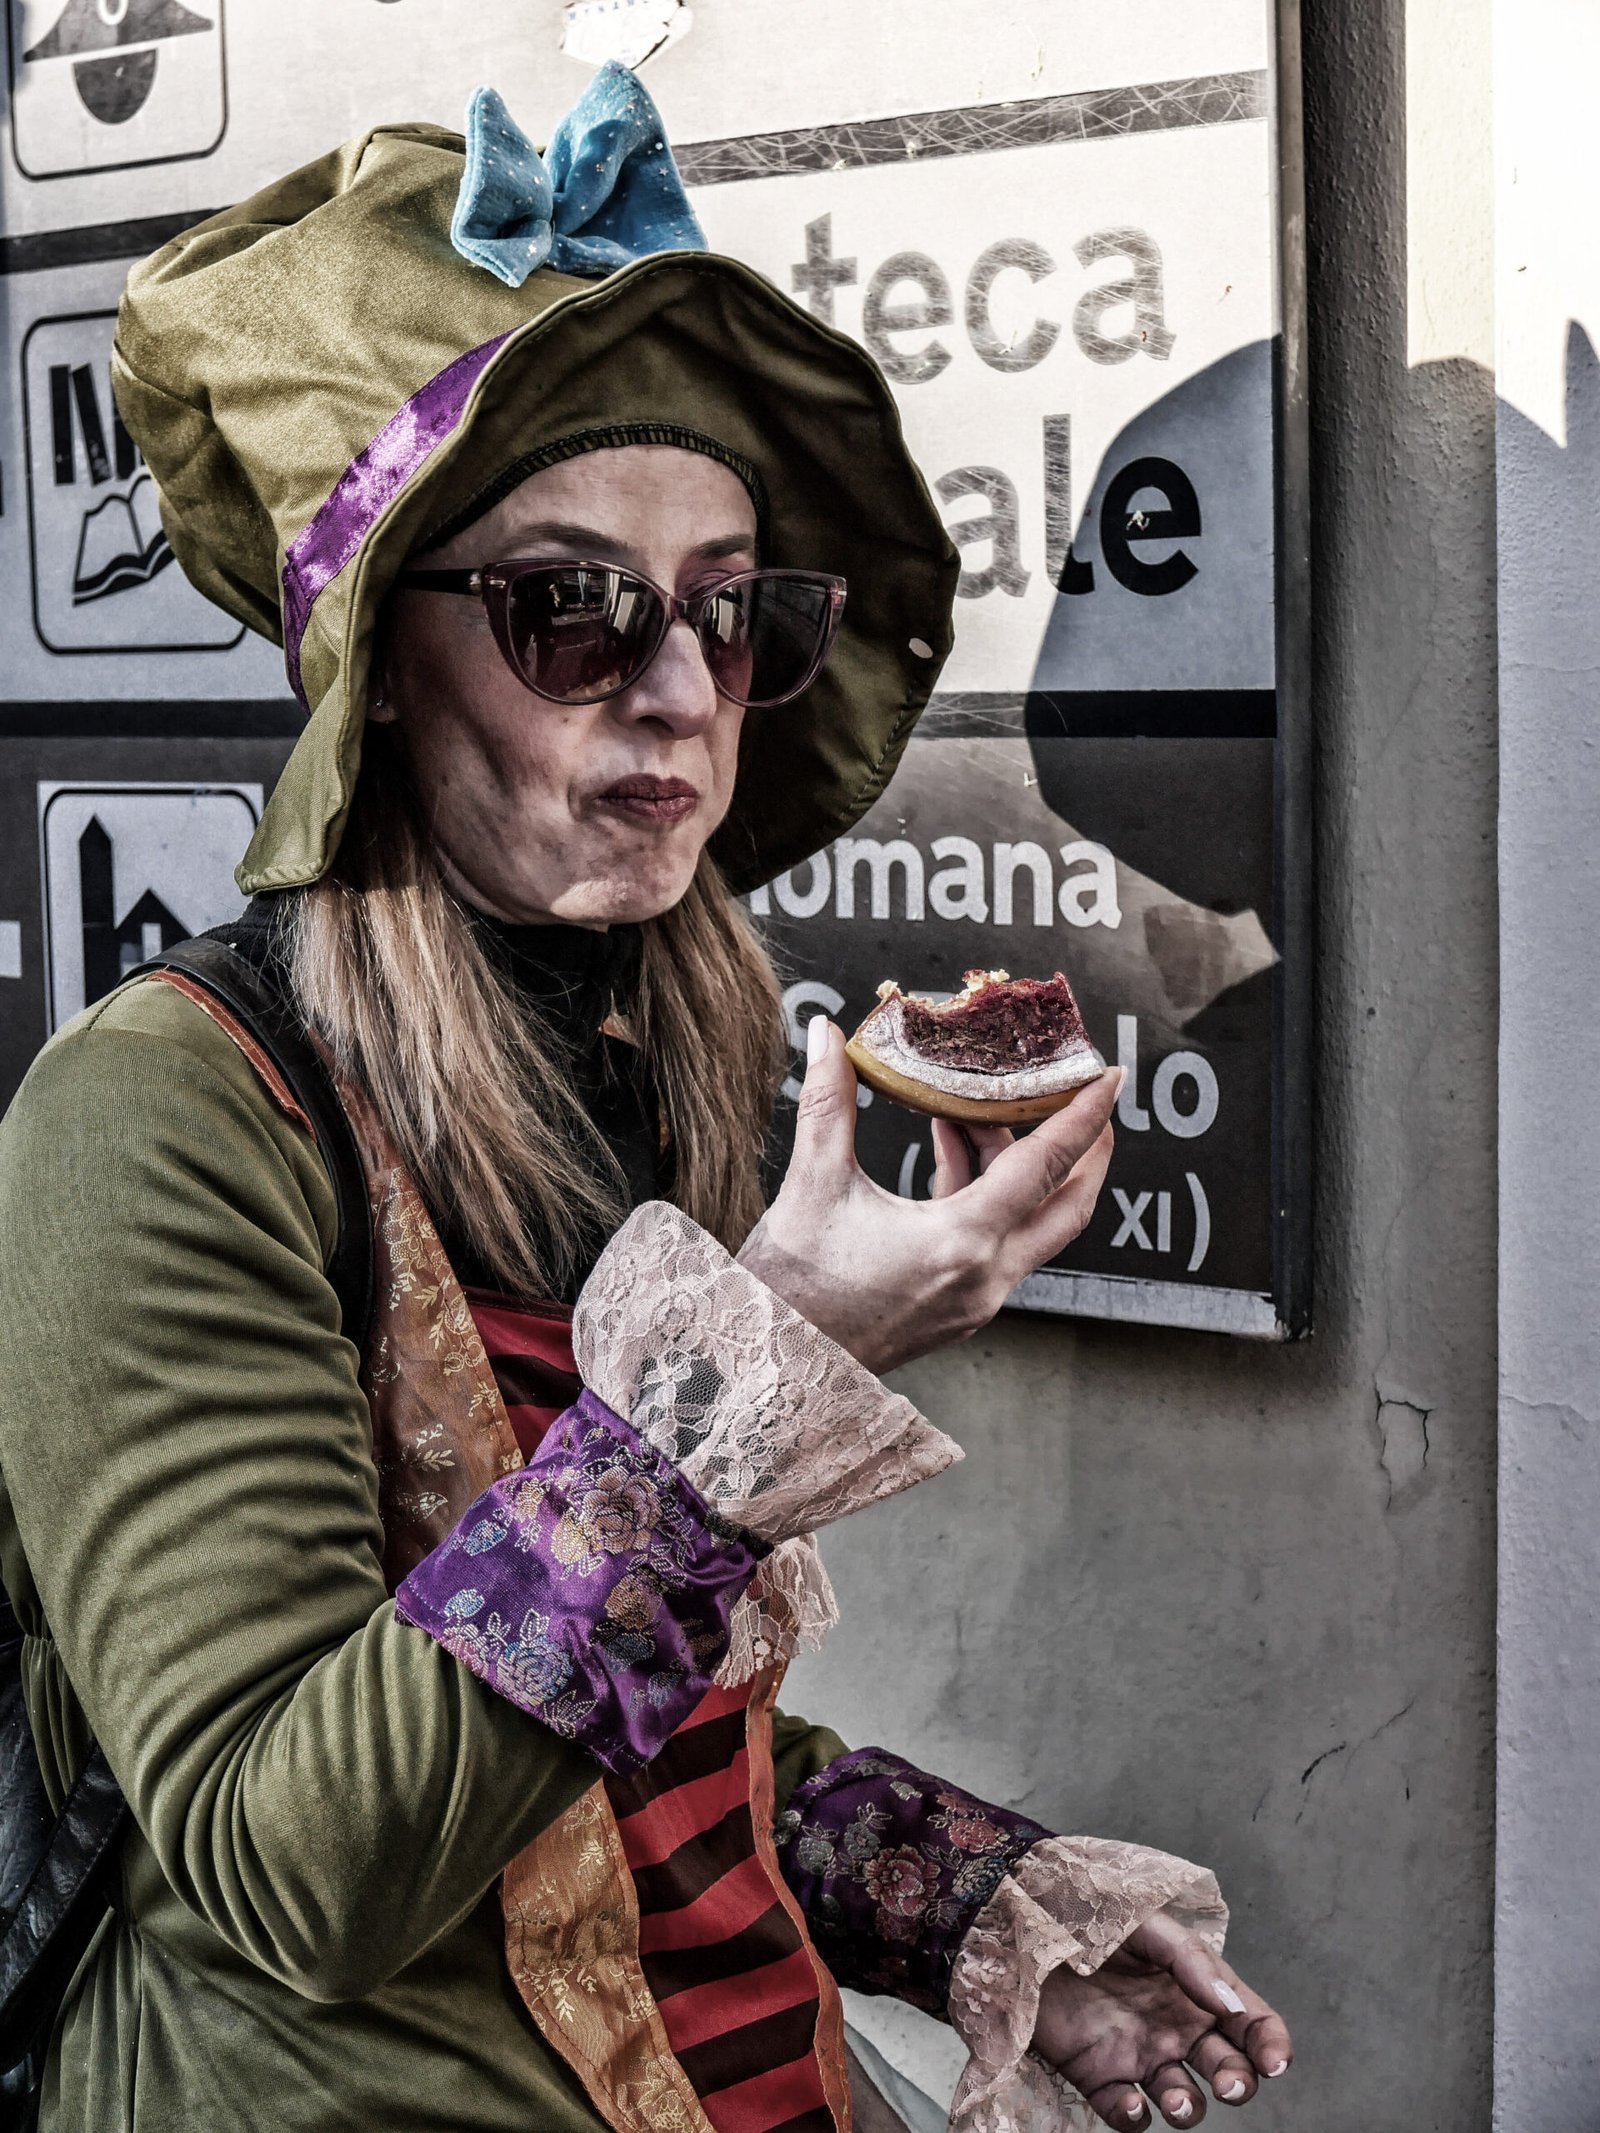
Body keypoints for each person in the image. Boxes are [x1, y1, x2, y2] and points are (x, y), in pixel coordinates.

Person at [0, 66, 1292, 2133]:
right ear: (381, 664)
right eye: (573, 606)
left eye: (733, 608)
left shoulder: (636, 1054)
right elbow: (296, 1863)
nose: (680, 690)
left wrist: (963, 1897)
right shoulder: (164, 1116)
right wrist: (736, 1396)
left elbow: (648, 1749)